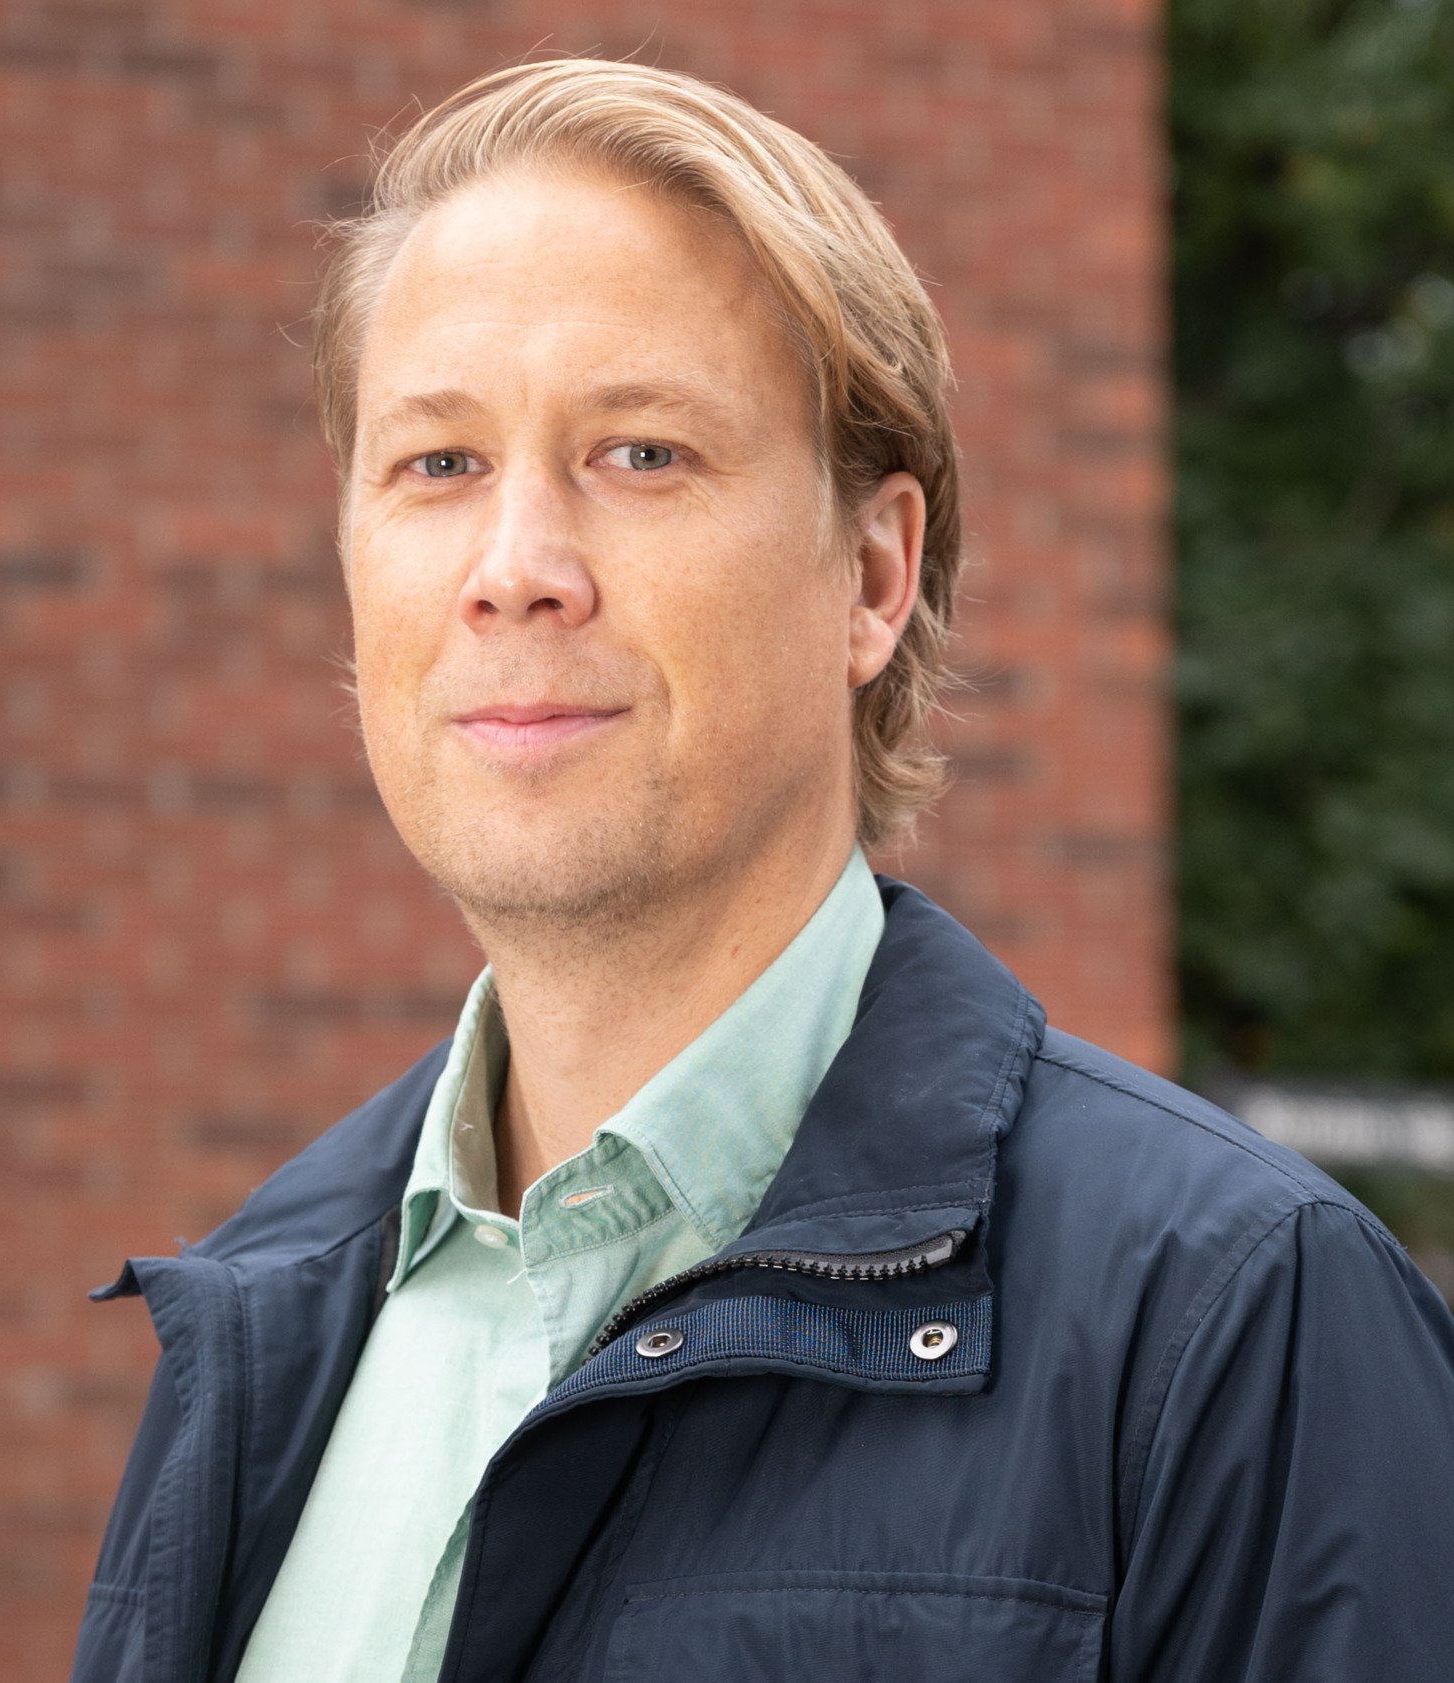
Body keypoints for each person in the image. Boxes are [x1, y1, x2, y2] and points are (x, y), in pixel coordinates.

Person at [70, 56, 1454, 1683]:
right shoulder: (252, 1318)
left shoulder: (1235, 1322)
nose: (517, 569)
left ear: (874, 575)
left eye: (641, 454)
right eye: (439, 464)